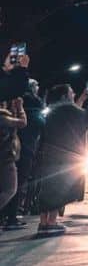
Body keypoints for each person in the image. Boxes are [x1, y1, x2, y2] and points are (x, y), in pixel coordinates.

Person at [31, 82, 88, 238]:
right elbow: (87, 118)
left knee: (46, 188)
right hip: (64, 157)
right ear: (65, 96)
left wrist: (80, 100)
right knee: (59, 189)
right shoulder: (69, 110)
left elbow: (73, 112)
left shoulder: (51, 110)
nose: (73, 94)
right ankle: (52, 223)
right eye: (71, 92)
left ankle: (44, 223)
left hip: (47, 155)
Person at [4, 79, 44, 225]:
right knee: (17, 184)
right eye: (37, 86)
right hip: (24, 147)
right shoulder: (33, 102)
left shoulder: (15, 99)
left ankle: (8, 215)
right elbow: (33, 123)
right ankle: (11, 218)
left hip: (14, 145)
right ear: (32, 88)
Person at [0, 98, 28, 222]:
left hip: (4, 157)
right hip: (5, 158)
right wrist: (21, 107)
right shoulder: (2, 118)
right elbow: (22, 123)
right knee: (10, 190)